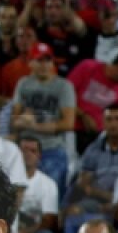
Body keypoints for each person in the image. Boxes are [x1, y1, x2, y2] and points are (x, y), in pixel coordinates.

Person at [11, 42, 76, 200]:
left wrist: (34, 125)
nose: (44, 65)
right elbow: (14, 120)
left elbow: (68, 123)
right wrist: (22, 121)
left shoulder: (63, 86)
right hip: (25, 148)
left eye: (47, 60)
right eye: (39, 60)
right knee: (22, 198)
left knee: (51, 195)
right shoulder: (24, 84)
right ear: (31, 62)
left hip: (51, 148)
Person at [12, 134, 59, 233]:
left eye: (32, 151)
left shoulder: (48, 184)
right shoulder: (4, 180)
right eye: (23, 150)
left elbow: (49, 221)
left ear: (39, 155)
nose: (28, 154)